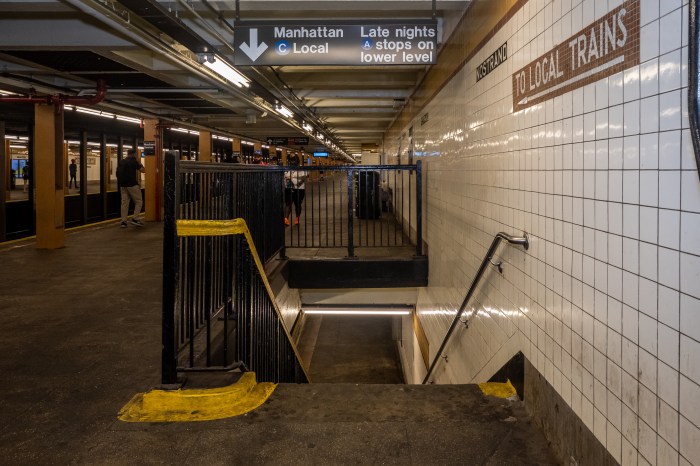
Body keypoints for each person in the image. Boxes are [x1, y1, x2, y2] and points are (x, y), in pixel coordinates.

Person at [116, 149, 145, 228]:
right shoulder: (133, 161)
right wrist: (139, 162)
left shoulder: (122, 161)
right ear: (134, 154)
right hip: (132, 185)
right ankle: (135, 218)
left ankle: (123, 222)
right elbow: (143, 170)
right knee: (139, 201)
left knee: (124, 203)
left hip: (123, 185)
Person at [284, 152, 306, 226]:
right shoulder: (287, 169)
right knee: (288, 204)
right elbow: (284, 177)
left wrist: (293, 180)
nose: (292, 162)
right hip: (289, 188)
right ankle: (286, 219)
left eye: (293, 160)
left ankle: (297, 218)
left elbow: (303, 178)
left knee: (298, 204)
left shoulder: (301, 168)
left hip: (299, 189)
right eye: (290, 160)